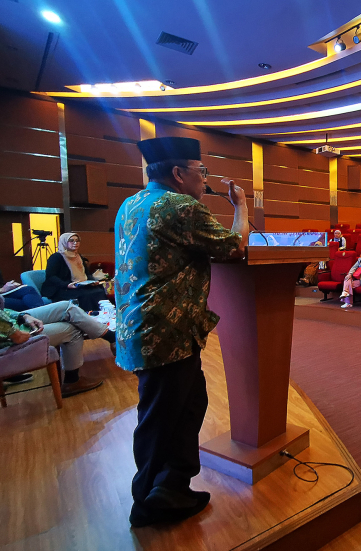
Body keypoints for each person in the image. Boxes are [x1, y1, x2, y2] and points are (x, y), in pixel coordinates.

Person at [115, 137, 248, 527]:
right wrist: (240, 205)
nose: (205, 182)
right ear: (178, 174)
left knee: (189, 403)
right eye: (201, 172)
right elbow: (234, 247)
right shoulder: (180, 206)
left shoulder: (131, 203)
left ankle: (172, 484)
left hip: (145, 328)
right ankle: (147, 502)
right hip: (166, 332)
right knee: (158, 418)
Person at [0, 298, 113, 396]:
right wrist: (15, 334)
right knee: (72, 330)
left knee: (66, 307)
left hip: (12, 321)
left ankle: (111, 337)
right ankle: (72, 380)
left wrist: (23, 316)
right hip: (5, 337)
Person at [41, 232, 108, 313]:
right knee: (85, 295)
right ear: (64, 242)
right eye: (71, 241)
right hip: (62, 288)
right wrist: (67, 285)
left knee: (99, 290)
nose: (75, 243)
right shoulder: (56, 257)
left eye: (77, 241)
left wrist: (92, 281)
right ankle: (88, 316)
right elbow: (51, 277)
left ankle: (102, 314)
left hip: (79, 285)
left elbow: (86, 273)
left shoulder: (78, 256)